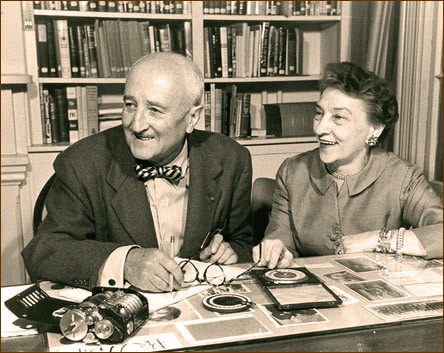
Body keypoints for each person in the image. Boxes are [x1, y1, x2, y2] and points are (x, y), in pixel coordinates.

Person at [22, 53, 253, 292]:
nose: (137, 124)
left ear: (192, 118)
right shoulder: (82, 162)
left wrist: (228, 253)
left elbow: (242, 242)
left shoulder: (232, 159)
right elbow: (44, 251)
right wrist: (125, 262)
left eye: (154, 110)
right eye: (130, 105)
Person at [253, 62, 442, 268]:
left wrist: (376, 239)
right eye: (319, 113)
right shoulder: (293, 171)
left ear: (375, 129)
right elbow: (280, 237)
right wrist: (276, 250)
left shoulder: (402, 177)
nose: (320, 128)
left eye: (338, 117)